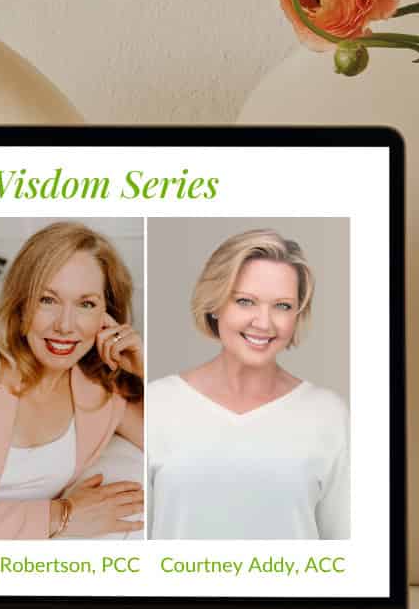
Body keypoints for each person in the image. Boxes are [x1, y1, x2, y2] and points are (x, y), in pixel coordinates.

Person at [0, 222, 145, 539]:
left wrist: (143, 368)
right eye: (47, 300)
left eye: (86, 304)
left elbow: (175, 448)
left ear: (108, 314)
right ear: (21, 303)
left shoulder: (101, 390)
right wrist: (62, 515)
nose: (65, 325)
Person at [147, 229, 349, 539]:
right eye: (245, 301)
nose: (264, 322)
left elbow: (346, 551)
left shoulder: (329, 414)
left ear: (297, 314)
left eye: (282, 306)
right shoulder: (156, 405)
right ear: (214, 304)